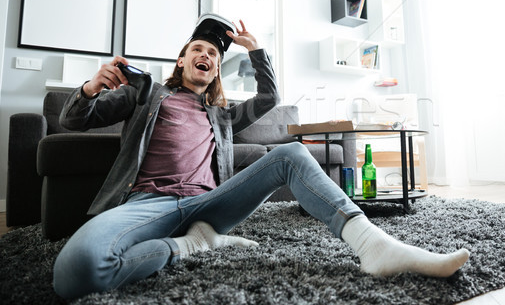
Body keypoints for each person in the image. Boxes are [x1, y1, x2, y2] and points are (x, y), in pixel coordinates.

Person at [53, 16, 470, 299]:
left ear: (215, 70)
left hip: (207, 203)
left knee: (290, 153)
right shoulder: (145, 97)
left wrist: (256, 51)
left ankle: (373, 245)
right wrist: (91, 88)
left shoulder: (224, 115)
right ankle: (193, 244)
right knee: (76, 273)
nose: (207, 56)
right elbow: (72, 120)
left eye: (214, 55)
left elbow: (270, 97)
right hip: (146, 203)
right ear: (181, 61)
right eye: (198, 49)